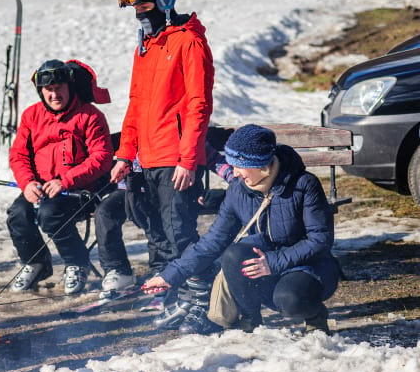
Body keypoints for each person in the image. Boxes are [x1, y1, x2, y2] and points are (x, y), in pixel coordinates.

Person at [142, 124, 341, 334]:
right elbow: (213, 240)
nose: (234, 173)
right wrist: (170, 275)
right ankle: (250, 319)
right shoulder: (238, 189)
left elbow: (320, 239)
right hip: (263, 263)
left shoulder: (304, 184)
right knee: (233, 254)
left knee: (289, 300)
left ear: (259, 165)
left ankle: (315, 316)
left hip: (306, 267)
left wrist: (272, 262)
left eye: (238, 165)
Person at [110, 0, 214, 310]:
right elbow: (136, 104)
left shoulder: (189, 43)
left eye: (145, 6)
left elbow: (199, 104)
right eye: (136, 8)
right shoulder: (147, 47)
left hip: (176, 158)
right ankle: (167, 296)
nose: (140, 14)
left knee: (179, 233)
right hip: (147, 158)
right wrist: (125, 154)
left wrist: (188, 160)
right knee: (155, 234)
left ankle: (197, 302)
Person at [7, 59, 113, 295]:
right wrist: (27, 183)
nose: (55, 95)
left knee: (50, 214)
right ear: (41, 91)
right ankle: (36, 263)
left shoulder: (90, 116)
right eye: (49, 90)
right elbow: (19, 155)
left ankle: (77, 261)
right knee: (18, 215)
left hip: (77, 190)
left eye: (59, 89)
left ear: (70, 87)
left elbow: (102, 157)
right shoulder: (31, 115)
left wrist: (66, 181)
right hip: (40, 187)